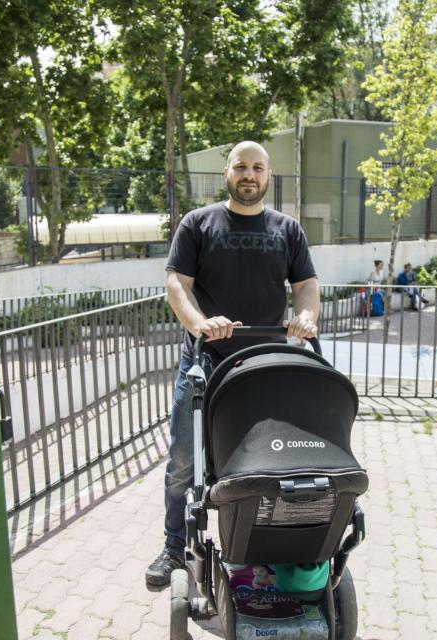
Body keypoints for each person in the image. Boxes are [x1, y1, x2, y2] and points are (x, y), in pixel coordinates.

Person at [145, 141, 320, 587]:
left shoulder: (288, 229)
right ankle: (172, 549)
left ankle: (261, 546)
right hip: (204, 365)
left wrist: (306, 318)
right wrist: (201, 324)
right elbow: (176, 286)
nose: (249, 174)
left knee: (267, 461)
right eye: (241, 166)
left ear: (268, 176)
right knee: (184, 462)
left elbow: (306, 285)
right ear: (226, 173)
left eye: (257, 168)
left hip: (265, 366)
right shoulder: (198, 224)